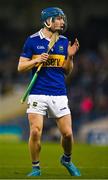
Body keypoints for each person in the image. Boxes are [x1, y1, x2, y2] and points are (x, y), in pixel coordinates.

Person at [18, 7, 81, 177]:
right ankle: (36, 167)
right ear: (48, 21)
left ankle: (66, 159)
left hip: (59, 93)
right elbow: (20, 67)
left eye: (62, 19)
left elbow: (67, 71)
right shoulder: (32, 41)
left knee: (67, 134)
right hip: (38, 93)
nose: (62, 22)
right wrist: (37, 60)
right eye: (58, 19)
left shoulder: (63, 41)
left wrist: (70, 57)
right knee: (36, 131)